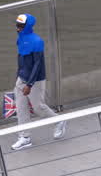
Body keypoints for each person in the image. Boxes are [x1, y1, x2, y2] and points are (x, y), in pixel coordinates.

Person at [11, 13, 65, 151]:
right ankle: (25, 137)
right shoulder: (20, 39)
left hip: (35, 80)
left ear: (27, 26)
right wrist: (19, 74)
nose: (17, 28)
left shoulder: (37, 41)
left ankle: (58, 120)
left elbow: (37, 64)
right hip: (21, 78)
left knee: (38, 107)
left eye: (21, 26)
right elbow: (20, 58)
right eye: (17, 25)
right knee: (21, 107)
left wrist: (29, 84)